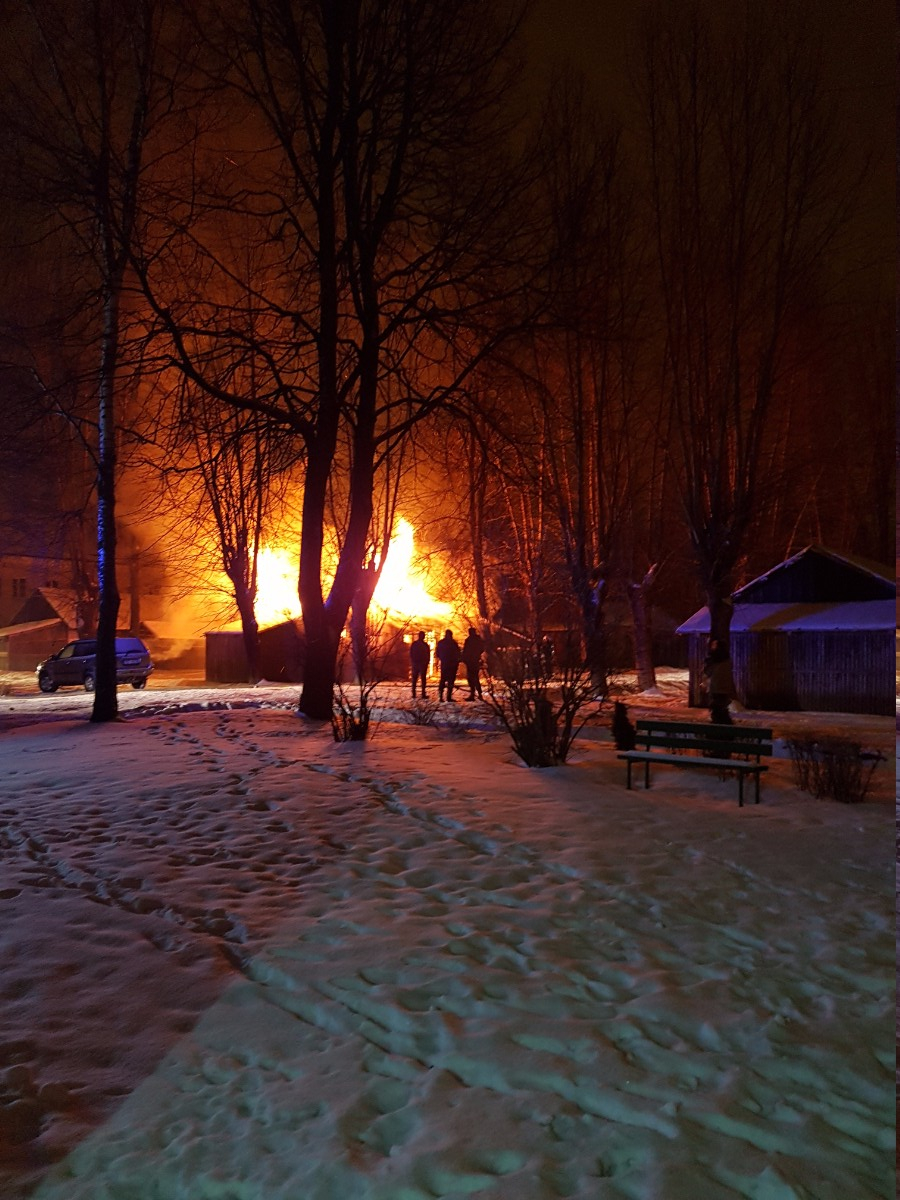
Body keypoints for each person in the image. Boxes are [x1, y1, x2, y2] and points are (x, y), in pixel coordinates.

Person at [703, 637, 735, 725]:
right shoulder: (727, 660)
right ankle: (724, 726)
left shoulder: (714, 660)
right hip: (724, 688)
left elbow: (708, 672)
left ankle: (719, 727)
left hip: (716, 688)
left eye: (714, 645)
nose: (712, 647)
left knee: (716, 709)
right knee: (722, 708)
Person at [435, 629, 461, 702]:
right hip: (452, 664)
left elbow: (437, 653)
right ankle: (448, 697)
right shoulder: (453, 643)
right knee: (450, 681)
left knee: (443, 680)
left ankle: (441, 696)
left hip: (445, 664)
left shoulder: (441, 643)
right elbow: (458, 653)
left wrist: (442, 659)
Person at [461, 626, 485, 700]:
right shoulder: (478, 640)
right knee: (475, 677)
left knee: (471, 678)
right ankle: (479, 694)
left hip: (470, 661)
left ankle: (472, 694)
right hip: (475, 660)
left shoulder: (469, 640)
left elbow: (465, 651)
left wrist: (464, 658)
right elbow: (482, 649)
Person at [409, 631, 430, 699]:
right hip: (421, 664)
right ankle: (422, 694)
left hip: (417, 663)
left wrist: (413, 661)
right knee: (422, 679)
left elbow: (411, 653)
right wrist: (426, 662)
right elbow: (428, 654)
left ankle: (414, 694)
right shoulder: (425, 645)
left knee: (415, 679)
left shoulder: (415, 644)